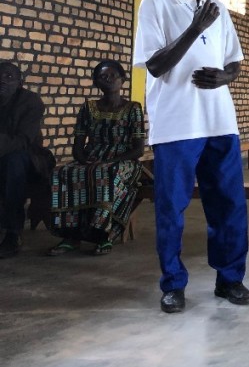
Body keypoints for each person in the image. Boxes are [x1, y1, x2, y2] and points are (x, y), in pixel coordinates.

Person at [133, 0, 249, 313]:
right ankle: (173, 284)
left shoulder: (219, 8)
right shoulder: (155, 4)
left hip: (219, 121)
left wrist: (224, 77)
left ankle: (230, 279)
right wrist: (193, 28)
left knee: (229, 205)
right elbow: (154, 65)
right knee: (171, 208)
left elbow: (234, 61)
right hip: (176, 125)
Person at [48, 60, 144, 255]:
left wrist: (110, 161)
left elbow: (138, 150)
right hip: (92, 157)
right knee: (65, 172)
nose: (108, 80)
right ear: (95, 82)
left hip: (122, 160)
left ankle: (103, 235)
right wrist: (83, 160)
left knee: (105, 173)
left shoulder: (133, 108)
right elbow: (78, 144)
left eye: (112, 76)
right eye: (102, 77)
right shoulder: (88, 108)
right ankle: (71, 236)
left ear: (122, 79)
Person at [0, 61, 53, 258]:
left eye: (9, 77)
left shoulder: (31, 102)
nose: (2, 82)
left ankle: (13, 234)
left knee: (14, 162)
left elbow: (24, 140)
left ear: (20, 82)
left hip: (31, 161)